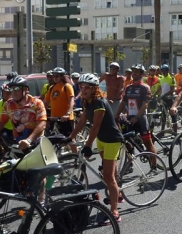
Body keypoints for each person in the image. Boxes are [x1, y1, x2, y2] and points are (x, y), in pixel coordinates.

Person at [68, 74, 124, 223]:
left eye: (87, 87)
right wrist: (70, 136)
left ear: (94, 89)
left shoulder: (99, 102)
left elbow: (95, 126)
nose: (83, 90)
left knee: (108, 177)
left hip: (112, 140)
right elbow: (82, 121)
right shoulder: (87, 101)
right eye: (81, 86)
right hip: (102, 140)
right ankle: (117, 193)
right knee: (109, 172)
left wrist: (87, 145)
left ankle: (114, 211)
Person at [0, 76, 47, 152]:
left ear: (26, 90)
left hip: (35, 143)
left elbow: (42, 124)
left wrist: (29, 140)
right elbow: (1, 121)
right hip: (18, 143)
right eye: (11, 89)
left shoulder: (37, 103)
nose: (14, 92)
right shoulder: (8, 104)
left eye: (17, 89)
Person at [115, 64, 157, 157]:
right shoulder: (128, 87)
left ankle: (154, 166)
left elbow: (145, 104)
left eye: (137, 72)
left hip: (141, 118)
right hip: (130, 117)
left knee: (148, 144)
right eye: (133, 71)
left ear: (142, 74)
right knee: (126, 140)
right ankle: (130, 163)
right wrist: (116, 115)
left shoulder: (145, 87)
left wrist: (137, 117)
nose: (134, 74)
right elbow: (123, 102)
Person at [43, 67, 75, 138]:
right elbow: (45, 102)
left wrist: (67, 114)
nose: (55, 78)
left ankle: (75, 149)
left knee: (69, 140)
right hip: (54, 118)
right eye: (53, 76)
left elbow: (71, 102)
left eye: (57, 76)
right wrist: (40, 113)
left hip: (65, 119)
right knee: (52, 140)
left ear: (62, 77)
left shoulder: (67, 86)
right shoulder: (51, 88)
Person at [157, 64, 177, 132]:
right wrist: (153, 95)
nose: (163, 72)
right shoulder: (161, 78)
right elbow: (159, 88)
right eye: (162, 70)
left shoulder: (171, 78)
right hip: (163, 99)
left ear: (168, 70)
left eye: (165, 70)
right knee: (163, 116)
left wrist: (165, 94)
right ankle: (162, 131)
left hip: (169, 99)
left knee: (173, 115)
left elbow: (172, 90)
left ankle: (175, 131)